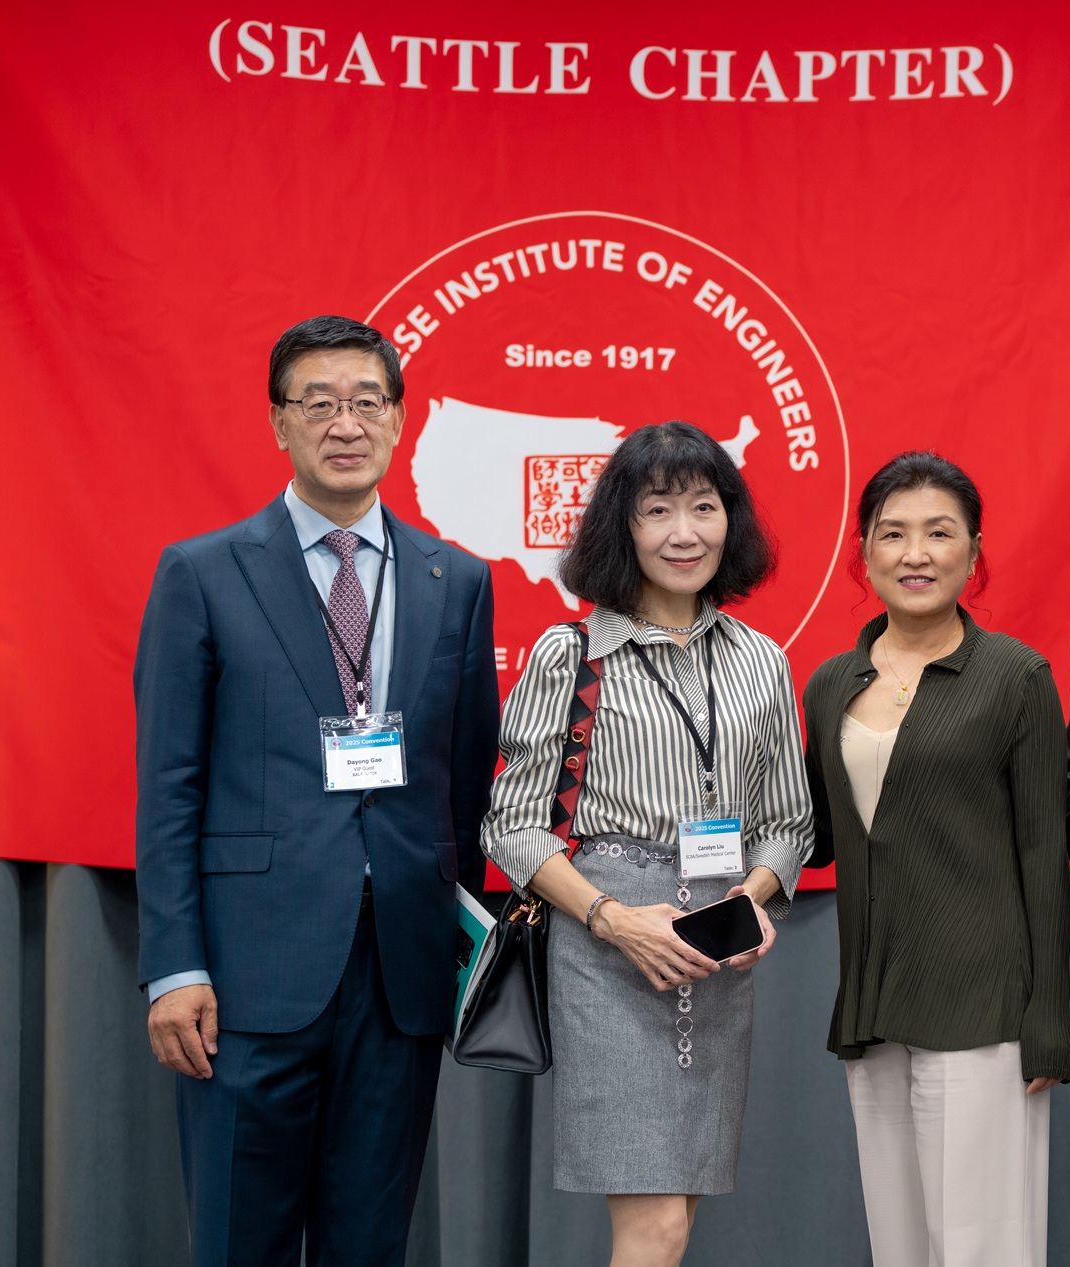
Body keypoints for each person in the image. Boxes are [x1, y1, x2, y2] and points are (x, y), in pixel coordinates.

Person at [134, 315, 500, 1265]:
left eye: (367, 402)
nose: (346, 423)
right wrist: (175, 966)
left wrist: (458, 944)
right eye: (320, 403)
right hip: (246, 976)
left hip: (401, 974)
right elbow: (168, 787)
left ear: (400, 420)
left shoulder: (457, 579)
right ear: (278, 423)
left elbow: (464, 786)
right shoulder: (203, 572)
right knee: (238, 1240)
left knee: (369, 1243)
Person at [482, 420, 812, 1267]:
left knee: (679, 1214)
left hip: (719, 950)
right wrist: (616, 920)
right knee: (656, 1221)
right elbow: (510, 823)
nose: (683, 532)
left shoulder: (762, 661)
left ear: (730, 520)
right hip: (610, 953)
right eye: (657, 509)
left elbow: (788, 824)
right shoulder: (569, 655)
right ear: (620, 527)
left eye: (703, 507)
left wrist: (752, 901)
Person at [802, 452, 1070, 1267]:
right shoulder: (829, 683)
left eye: (939, 533)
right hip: (873, 1005)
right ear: (864, 550)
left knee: (980, 1247)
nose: (915, 553)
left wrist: (1048, 1018)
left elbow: (1043, 851)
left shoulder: (1016, 677)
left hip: (982, 1010)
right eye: (893, 533)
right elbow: (814, 835)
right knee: (900, 1246)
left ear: (974, 550)